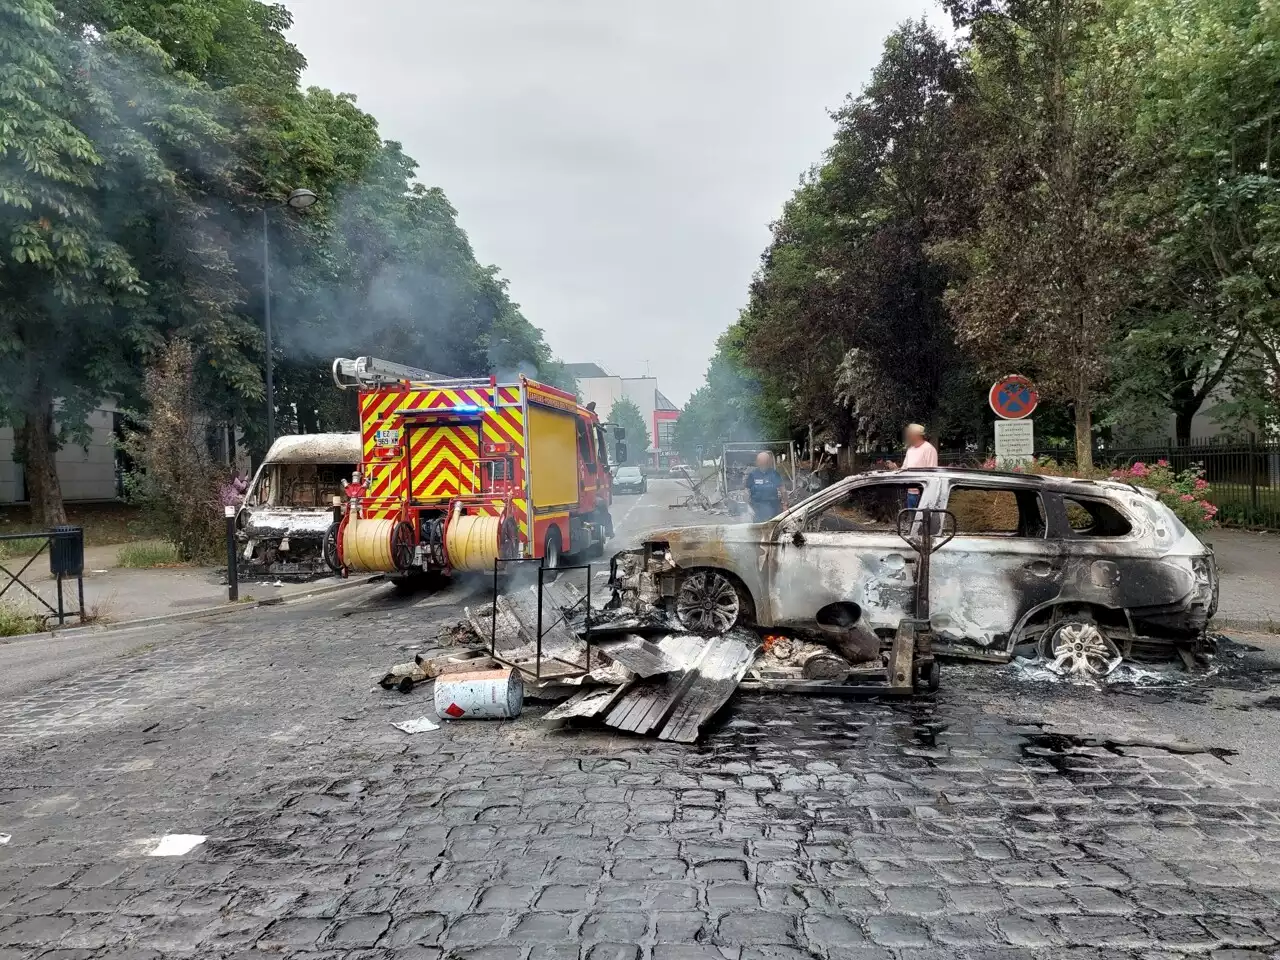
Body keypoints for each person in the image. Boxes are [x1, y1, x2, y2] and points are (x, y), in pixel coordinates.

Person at [900, 423, 937, 509]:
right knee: (912, 520)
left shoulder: (929, 449)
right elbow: (904, 469)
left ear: (917, 436)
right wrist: (894, 468)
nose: (908, 437)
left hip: (923, 494)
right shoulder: (910, 450)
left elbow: (933, 474)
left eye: (910, 435)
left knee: (923, 521)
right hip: (910, 493)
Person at [743, 451, 786, 522]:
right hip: (757, 508)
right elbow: (746, 491)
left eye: (765, 462)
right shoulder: (752, 475)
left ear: (769, 463)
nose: (763, 464)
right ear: (757, 462)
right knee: (758, 528)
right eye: (761, 462)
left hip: (773, 507)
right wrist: (747, 507)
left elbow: (783, 489)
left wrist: (785, 505)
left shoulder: (774, 474)